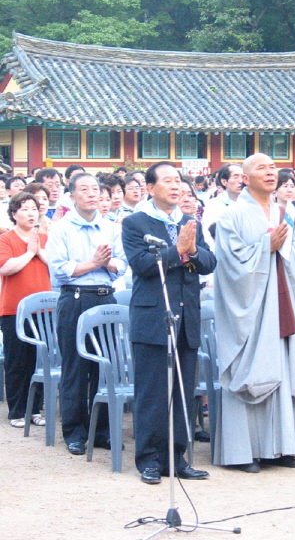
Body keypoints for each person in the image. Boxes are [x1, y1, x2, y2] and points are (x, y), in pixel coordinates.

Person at [213, 153, 295, 472]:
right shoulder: (231, 216)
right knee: (254, 368)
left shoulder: (287, 213)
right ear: (245, 178)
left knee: (284, 369)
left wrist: (279, 247)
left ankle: (284, 448)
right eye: (261, 168)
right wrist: (264, 247)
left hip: (284, 303)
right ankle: (245, 453)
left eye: (273, 167)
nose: (270, 172)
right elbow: (229, 266)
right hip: (251, 309)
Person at [121, 161, 216, 484]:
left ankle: (177, 458)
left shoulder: (191, 222)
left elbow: (209, 262)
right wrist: (178, 251)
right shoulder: (135, 222)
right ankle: (149, 459)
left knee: (182, 392)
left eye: (179, 181)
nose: (176, 186)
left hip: (187, 317)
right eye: (168, 181)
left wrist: (190, 252)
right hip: (153, 317)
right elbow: (143, 265)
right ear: (150, 188)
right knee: (152, 394)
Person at [47, 173, 128, 456]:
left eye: (96, 189)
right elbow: (60, 269)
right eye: (85, 189)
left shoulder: (111, 227)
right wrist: (94, 262)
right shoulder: (61, 228)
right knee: (75, 367)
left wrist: (105, 265)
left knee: (105, 367)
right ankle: (74, 431)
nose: (92, 194)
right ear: (72, 196)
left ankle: (101, 430)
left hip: (106, 298)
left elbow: (123, 263)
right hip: (76, 299)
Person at [0, 192, 51, 427]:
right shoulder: (6, 239)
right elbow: (7, 268)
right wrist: (30, 253)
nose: (31, 213)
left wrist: (38, 250)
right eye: (25, 209)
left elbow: (57, 265)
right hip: (14, 309)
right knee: (17, 362)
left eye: (34, 208)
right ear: (13, 214)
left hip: (44, 313)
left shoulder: (44, 237)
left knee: (39, 360)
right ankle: (17, 411)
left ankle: (35, 409)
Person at [202, 163, 243, 246]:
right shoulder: (214, 205)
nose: (241, 181)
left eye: (242, 177)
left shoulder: (250, 203)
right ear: (224, 181)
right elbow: (209, 234)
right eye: (236, 177)